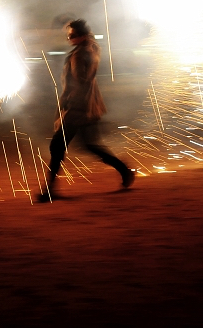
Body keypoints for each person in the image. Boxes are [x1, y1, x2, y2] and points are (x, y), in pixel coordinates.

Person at [41, 19, 135, 202]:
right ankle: (124, 171)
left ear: (82, 36)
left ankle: (49, 190)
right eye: (69, 35)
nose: (69, 38)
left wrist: (68, 104)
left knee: (57, 146)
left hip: (78, 108)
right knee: (91, 145)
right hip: (87, 106)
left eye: (73, 35)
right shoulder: (90, 48)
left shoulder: (80, 54)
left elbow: (79, 82)